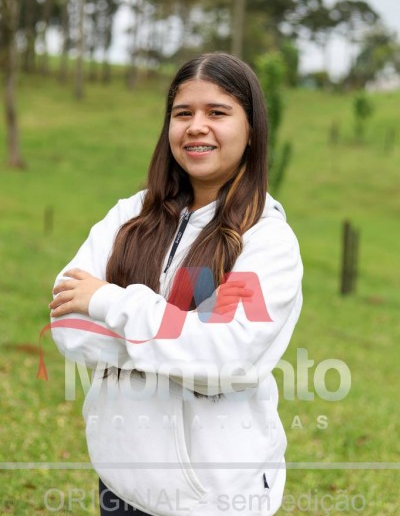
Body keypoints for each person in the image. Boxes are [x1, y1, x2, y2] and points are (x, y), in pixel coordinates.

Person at [49, 52, 303, 516]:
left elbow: (225, 357)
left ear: (251, 130)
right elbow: (67, 324)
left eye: (217, 112)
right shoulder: (130, 214)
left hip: (217, 499)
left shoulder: (268, 240)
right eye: (183, 113)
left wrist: (108, 302)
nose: (196, 126)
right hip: (121, 483)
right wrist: (181, 341)